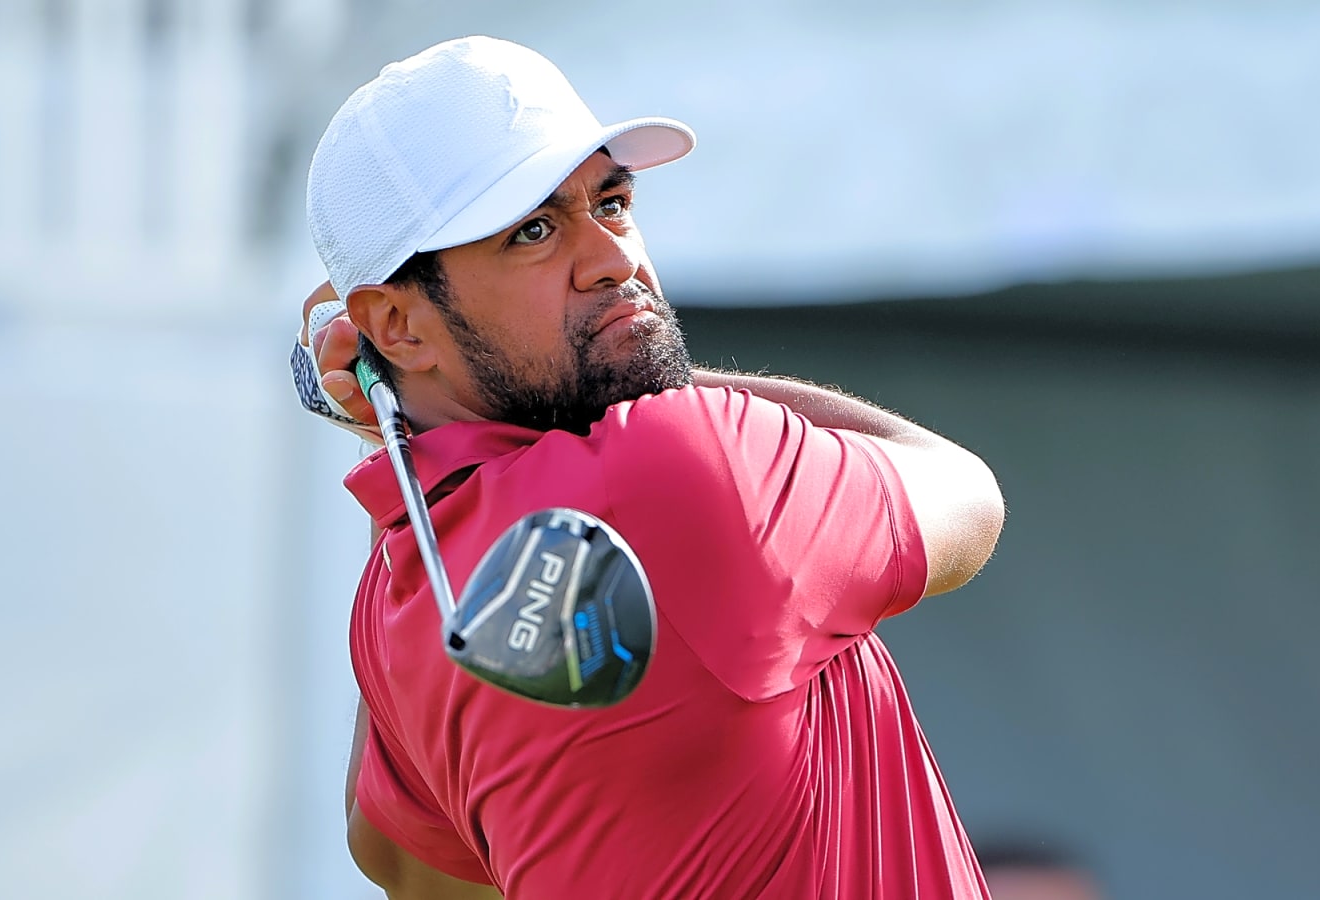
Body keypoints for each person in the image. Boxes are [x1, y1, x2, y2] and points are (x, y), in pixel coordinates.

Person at [296, 35, 1006, 899]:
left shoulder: (400, 596)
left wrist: (397, 418)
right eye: (533, 232)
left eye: (614, 201)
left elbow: (406, 866)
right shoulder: (680, 461)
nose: (615, 258)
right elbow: (966, 494)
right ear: (399, 325)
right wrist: (644, 377)